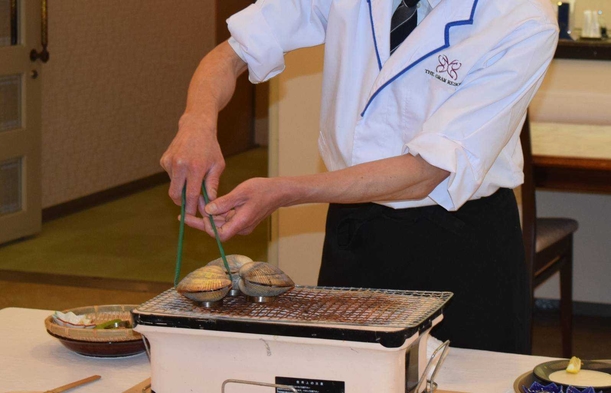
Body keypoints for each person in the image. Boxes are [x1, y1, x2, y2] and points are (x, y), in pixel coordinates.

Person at [160, 0, 559, 354]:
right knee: (343, 372)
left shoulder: (523, 16)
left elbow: (427, 172)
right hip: (354, 230)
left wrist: (284, 191)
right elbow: (232, 53)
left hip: (459, 247)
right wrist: (196, 122)